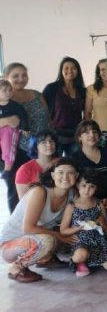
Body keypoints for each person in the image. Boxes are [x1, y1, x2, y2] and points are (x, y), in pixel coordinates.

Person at [0, 158, 78, 283]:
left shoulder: (72, 194)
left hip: (34, 238)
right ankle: (17, 267)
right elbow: (28, 228)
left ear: (77, 175)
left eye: (71, 172)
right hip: (10, 245)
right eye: (61, 172)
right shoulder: (40, 192)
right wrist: (59, 236)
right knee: (49, 240)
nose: (66, 177)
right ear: (53, 175)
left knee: (74, 234)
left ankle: (46, 258)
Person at [4, 63, 51, 212]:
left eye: (24, 75)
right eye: (15, 76)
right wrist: (6, 121)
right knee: (16, 189)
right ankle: (17, 228)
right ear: (6, 78)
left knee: (43, 187)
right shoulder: (2, 97)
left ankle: (40, 224)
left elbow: (48, 119)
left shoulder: (37, 94)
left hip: (42, 148)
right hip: (15, 150)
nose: (21, 79)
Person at [59, 169, 107, 277]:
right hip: (80, 242)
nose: (87, 190)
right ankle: (78, 261)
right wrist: (78, 228)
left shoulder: (99, 204)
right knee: (81, 254)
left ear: (96, 188)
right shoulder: (72, 206)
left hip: (99, 242)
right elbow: (63, 230)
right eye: (84, 185)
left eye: (92, 187)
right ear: (77, 185)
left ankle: (92, 261)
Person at [70, 120, 107, 229]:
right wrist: (86, 201)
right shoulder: (74, 158)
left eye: (94, 132)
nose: (92, 135)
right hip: (85, 201)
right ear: (79, 137)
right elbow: (72, 184)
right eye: (86, 132)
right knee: (89, 224)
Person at [43, 56, 85, 155]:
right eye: (66, 68)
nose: (70, 71)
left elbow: (86, 111)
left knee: (74, 165)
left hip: (76, 135)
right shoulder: (51, 88)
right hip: (56, 135)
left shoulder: (82, 91)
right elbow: (43, 110)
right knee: (55, 165)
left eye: (73, 68)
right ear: (61, 71)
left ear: (78, 71)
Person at [84, 59, 107, 146]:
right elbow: (87, 113)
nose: (106, 72)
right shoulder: (91, 89)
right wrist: (89, 132)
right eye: (102, 69)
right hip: (100, 133)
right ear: (98, 73)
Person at [15, 131, 58, 199]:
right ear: (35, 146)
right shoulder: (25, 169)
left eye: (51, 141)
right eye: (44, 142)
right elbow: (23, 199)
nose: (49, 144)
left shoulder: (62, 163)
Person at [0, 79, 27, 179]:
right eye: (4, 90)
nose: (8, 93)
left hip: (9, 131)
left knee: (8, 146)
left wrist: (24, 127)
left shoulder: (15, 105)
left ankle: (7, 169)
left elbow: (23, 115)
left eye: (9, 90)